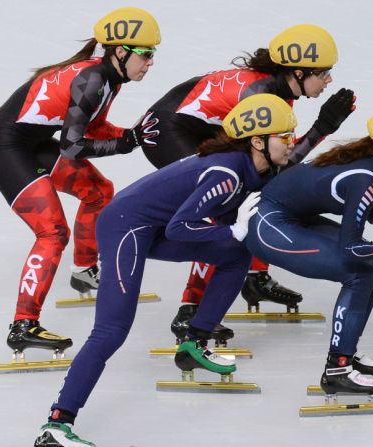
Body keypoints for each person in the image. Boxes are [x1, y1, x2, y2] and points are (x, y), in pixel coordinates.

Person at [33, 94, 297, 446]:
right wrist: (232, 230)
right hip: (124, 225)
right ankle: (56, 424)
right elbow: (180, 228)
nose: (292, 143)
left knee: (236, 255)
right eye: (286, 137)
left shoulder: (254, 168)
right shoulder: (227, 172)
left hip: (152, 225)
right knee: (111, 330)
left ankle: (194, 343)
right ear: (258, 141)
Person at [135, 23, 357, 342]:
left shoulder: (279, 91)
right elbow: (282, 162)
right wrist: (322, 128)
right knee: (227, 205)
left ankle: (253, 276)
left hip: (195, 125)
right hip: (172, 132)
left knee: (259, 191)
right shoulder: (263, 95)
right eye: (323, 72)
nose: (329, 80)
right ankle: (190, 310)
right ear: (297, 72)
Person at [0, 7, 162, 358]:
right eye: (146, 54)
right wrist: (125, 143)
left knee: (99, 191)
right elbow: (73, 146)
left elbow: (91, 129)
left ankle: (83, 270)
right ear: (120, 51)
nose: (150, 62)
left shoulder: (108, 79)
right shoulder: (92, 79)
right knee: (52, 231)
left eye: (153, 54)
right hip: (3, 147)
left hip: (33, 142)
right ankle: (23, 325)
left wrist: (130, 135)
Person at [244, 104, 373, 396]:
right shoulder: (365, 177)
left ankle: (345, 355)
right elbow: (351, 249)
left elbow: (372, 214)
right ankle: (337, 369)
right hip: (267, 225)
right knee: (358, 271)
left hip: (294, 217)